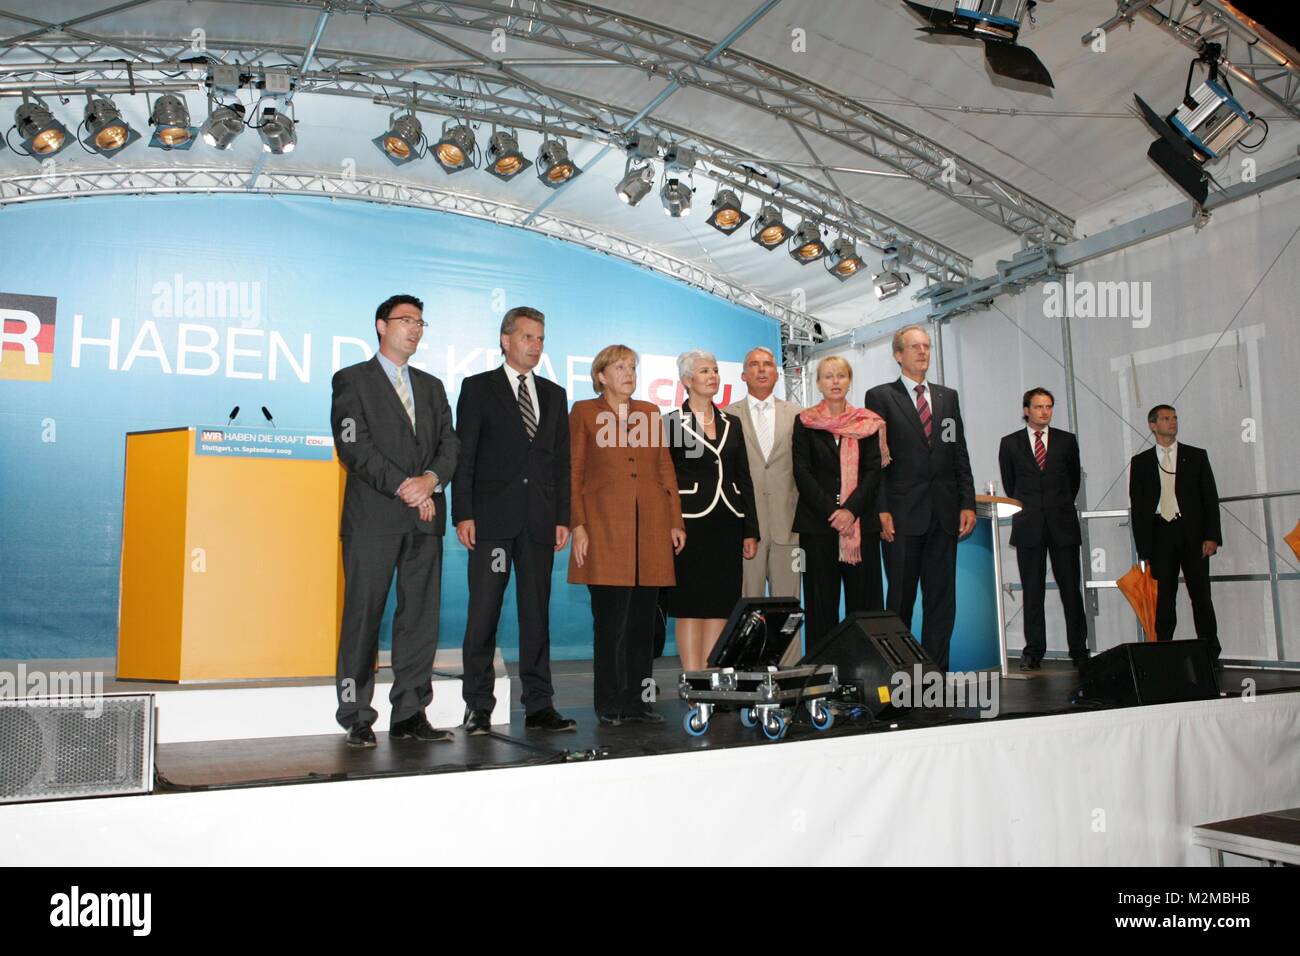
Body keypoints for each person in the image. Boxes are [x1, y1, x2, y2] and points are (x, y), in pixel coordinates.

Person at [330, 294, 459, 747]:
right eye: (406, 320)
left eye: (422, 323)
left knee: (419, 620)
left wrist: (431, 480)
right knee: (363, 617)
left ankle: (409, 713)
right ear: (381, 325)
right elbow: (354, 447)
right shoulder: (351, 380)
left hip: (425, 519)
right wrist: (408, 487)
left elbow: (450, 445)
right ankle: (356, 714)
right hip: (374, 519)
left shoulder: (432, 386)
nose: (415, 329)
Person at [453, 306, 576, 735]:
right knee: (483, 614)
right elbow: (464, 456)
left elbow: (561, 463)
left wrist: (563, 517)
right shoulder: (478, 388)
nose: (535, 346)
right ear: (505, 340)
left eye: (541, 338)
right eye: (527, 337)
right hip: (491, 523)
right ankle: (478, 705)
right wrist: (463, 513)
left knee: (535, 616)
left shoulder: (555, 394)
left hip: (540, 524)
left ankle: (540, 705)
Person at [568, 345, 685, 724]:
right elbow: (574, 472)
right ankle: (610, 704)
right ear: (601, 375)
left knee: (642, 624)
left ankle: (637, 702)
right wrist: (579, 525)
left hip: (650, 530)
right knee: (611, 624)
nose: (628, 373)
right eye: (620, 367)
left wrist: (675, 521)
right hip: (603, 530)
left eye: (632, 366)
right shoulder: (585, 412)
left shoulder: (650, 413)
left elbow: (665, 470)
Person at [864, 325, 976, 671]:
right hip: (901, 514)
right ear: (898, 354)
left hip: (943, 514)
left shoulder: (947, 397)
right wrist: (881, 509)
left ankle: (935, 673)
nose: (922, 352)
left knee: (941, 600)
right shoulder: (880, 397)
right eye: (914, 347)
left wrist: (967, 502)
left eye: (926, 346)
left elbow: (958, 452)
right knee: (900, 598)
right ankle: (899, 673)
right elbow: (875, 461)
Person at [663, 350, 759, 671]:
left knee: (720, 606)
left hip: (728, 521)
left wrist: (751, 530)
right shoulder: (671, 423)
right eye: (705, 371)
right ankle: (693, 679)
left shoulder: (732, 423)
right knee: (691, 606)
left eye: (715, 370)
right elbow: (664, 479)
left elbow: (744, 477)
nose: (713, 376)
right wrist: (669, 523)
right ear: (687, 380)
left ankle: (711, 678)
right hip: (689, 525)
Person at [792, 355, 888, 650]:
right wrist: (833, 512)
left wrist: (850, 510)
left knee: (866, 607)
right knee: (822, 607)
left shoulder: (867, 423)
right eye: (828, 376)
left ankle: (867, 677)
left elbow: (873, 472)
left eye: (841, 376)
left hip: (861, 526)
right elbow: (802, 472)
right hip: (818, 527)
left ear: (849, 382)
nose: (835, 381)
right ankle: (823, 677)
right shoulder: (805, 421)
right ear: (818, 383)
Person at [997, 388, 1089, 670]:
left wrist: (1056, 505)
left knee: (1071, 591)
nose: (1044, 412)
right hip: (1029, 526)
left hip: (1062, 524)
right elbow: (1010, 484)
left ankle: (1078, 650)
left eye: (1049, 406)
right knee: (1032, 592)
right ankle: (1033, 650)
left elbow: (1073, 480)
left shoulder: (1066, 441)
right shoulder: (1009, 443)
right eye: (1038, 407)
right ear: (1026, 410)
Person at [1128, 404, 1223, 665]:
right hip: (1161, 535)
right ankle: (1163, 652)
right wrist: (1144, 549)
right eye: (1166, 418)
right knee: (1165, 599)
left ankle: (1210, 652)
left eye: (1175, 418)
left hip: (1193, 534)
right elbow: (1138, 508)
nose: (1173, 422)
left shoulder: (1196, 456)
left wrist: (1212, 536)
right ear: (1153, 425)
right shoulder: (1141, 462)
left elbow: (1209, 499)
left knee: (1201, 595)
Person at [724, 347, 802, 604]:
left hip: (788, 529)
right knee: (745, 608)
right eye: (754, 365)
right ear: (743, 375)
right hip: (746, 530)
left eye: (767, 364)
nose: (761, 369)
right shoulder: (726, 417)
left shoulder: (798, 414)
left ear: (777, 374)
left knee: (789, 608)